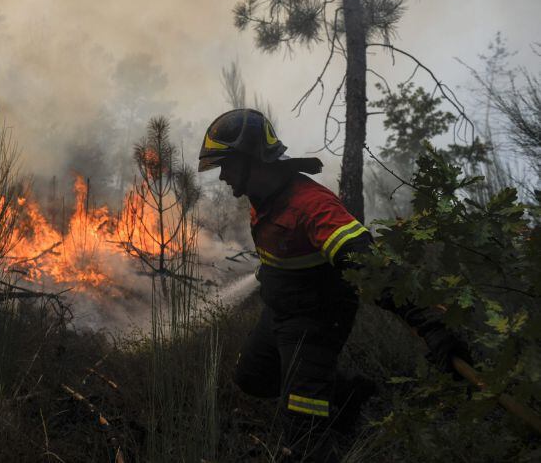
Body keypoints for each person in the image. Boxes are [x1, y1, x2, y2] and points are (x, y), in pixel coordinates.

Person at [197, 108, 470, 461]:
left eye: (226, 165)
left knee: (304, 432)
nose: (222, 176)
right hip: (281, 313)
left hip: (317, 321)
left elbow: (372, 267)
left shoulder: (313, 207)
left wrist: (430, 323)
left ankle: (320, 419)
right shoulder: (263, 195)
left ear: (253, 159)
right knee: (253, 377)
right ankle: (347, 395)